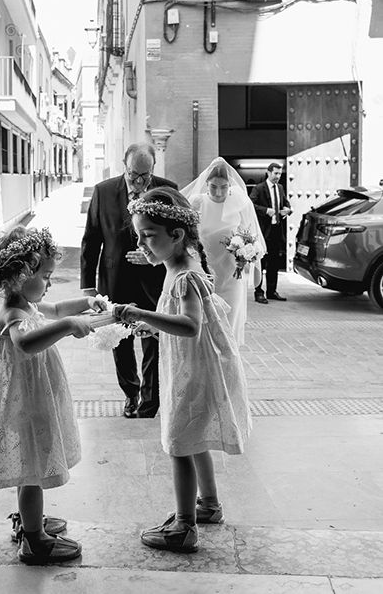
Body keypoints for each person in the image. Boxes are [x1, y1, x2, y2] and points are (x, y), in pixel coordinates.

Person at [114, 187, 251, 553]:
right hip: (191, 364)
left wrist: (142, 313)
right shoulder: (179, 263)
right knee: (194, 437)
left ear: (176, 235)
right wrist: (153, 326)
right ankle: (208, 504)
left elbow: (190, 325)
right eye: (139, 235)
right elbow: (181, 320)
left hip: (192, 370)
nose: (142, 244)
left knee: (179, 443)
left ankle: (184, 525)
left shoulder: (184, 275)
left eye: (149, 236)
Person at [0, 225, 107, 565]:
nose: (50, 283)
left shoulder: (27, 303)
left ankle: (29, 518)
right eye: (47, 276)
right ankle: (34, 539)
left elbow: (56, 309)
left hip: (34, 393)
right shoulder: (14, 312)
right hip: (26, 400)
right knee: (33, 466)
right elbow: (26, 344)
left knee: (31, 462)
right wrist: (69, 328)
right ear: (22, 274)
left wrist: (87, 302)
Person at [80, 143, 177, 418]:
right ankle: (131, 394)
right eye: (134, 174)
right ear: (125, 166)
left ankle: (150, 400)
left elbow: (178, 238)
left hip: (155, 280)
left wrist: (154, 258)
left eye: (146, 176)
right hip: (115, 279)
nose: (139, 181)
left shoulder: (168, 190)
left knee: (154, 339)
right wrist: (89, 286)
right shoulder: (103, 191)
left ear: (153, 169)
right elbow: (91, 240)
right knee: (120, 341)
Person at [181, 157, 266, 348]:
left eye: (223, 187)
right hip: (204, 273)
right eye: (213, 187)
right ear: (206, 185)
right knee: (206, 324)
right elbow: (185, 236)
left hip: (231, 274)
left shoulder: (240, 202)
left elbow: (251, 235)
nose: (219, 192)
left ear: (230, 185)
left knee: (229, 323)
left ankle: (230, 363)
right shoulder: (197, 202)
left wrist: (248, 253)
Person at [250, 162, 292, 303]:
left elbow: (286, 203)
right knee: (261, 263)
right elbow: (251, 205)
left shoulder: (280, 188)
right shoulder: (259, 188)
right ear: (268, 173)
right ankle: (259, 292)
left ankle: (272, 291)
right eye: (275, 173)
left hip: (276, 230)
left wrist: (288, 210)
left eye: (280, 174)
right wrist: (265, 211)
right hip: (263, 232)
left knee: (274, 263)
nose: (278, 176)